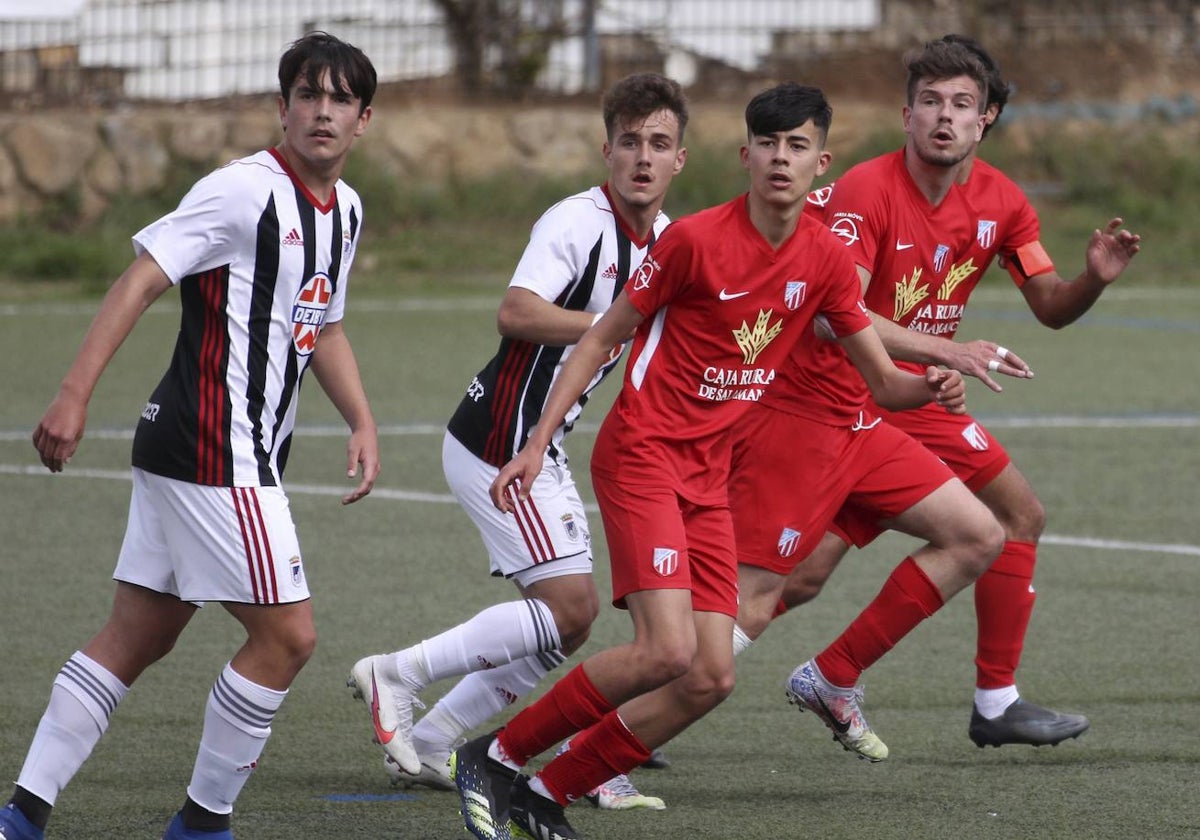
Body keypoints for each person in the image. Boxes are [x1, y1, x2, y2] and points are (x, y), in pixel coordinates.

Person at [451, 83, 965, 840]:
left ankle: (547, 793)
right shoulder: (691, 241)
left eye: (797, 147)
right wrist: (535, 445)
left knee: (710, 676)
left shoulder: (824, 259)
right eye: (768, 145)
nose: (781, 160)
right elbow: (602, 336)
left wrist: (935, 384)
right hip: (643, 457)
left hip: (709, 478)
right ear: (745, 156)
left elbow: (884, 383)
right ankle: (494, 756)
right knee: (663, 650)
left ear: (820, 164)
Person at [0, 32, 378, 840]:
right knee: (289, 636)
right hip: (215, 447)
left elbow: (327, 325)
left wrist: (362, 419)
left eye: (339, 99)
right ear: (281, 110)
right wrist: (73, 395)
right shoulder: (241, 192)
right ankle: (202, 826)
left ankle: (21, 815)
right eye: (307, 95)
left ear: (363, 120)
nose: (321, 111)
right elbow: (141, 276)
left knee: (137, 635)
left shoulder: (345, 212)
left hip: (204, 451)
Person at [778, 35, 1141, 755]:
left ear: (988, 119)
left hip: (918, 397)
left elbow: (1050, 305)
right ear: (907, 114)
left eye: (963, 105)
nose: (946, 117)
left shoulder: (1003, 203)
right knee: (796, 578)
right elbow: (837, 311)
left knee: (1017, 516)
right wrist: (951, 351)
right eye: (932, 102)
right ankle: (660, 680)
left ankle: (993, 701)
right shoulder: (865, 190)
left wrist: (1094, 278)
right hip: (844, 396)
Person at [346, 72, 687, 809]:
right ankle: (396, 673)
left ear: (679, 161)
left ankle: (435, 742)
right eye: (629, 142)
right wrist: (610, 326)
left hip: (541, 443)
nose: (642, 157)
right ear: (606, 152)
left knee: (563, 629)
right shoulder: (575, 222)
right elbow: (515, 311)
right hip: (498, 441)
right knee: (570, 610)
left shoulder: (667, 242)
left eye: (659, 144)